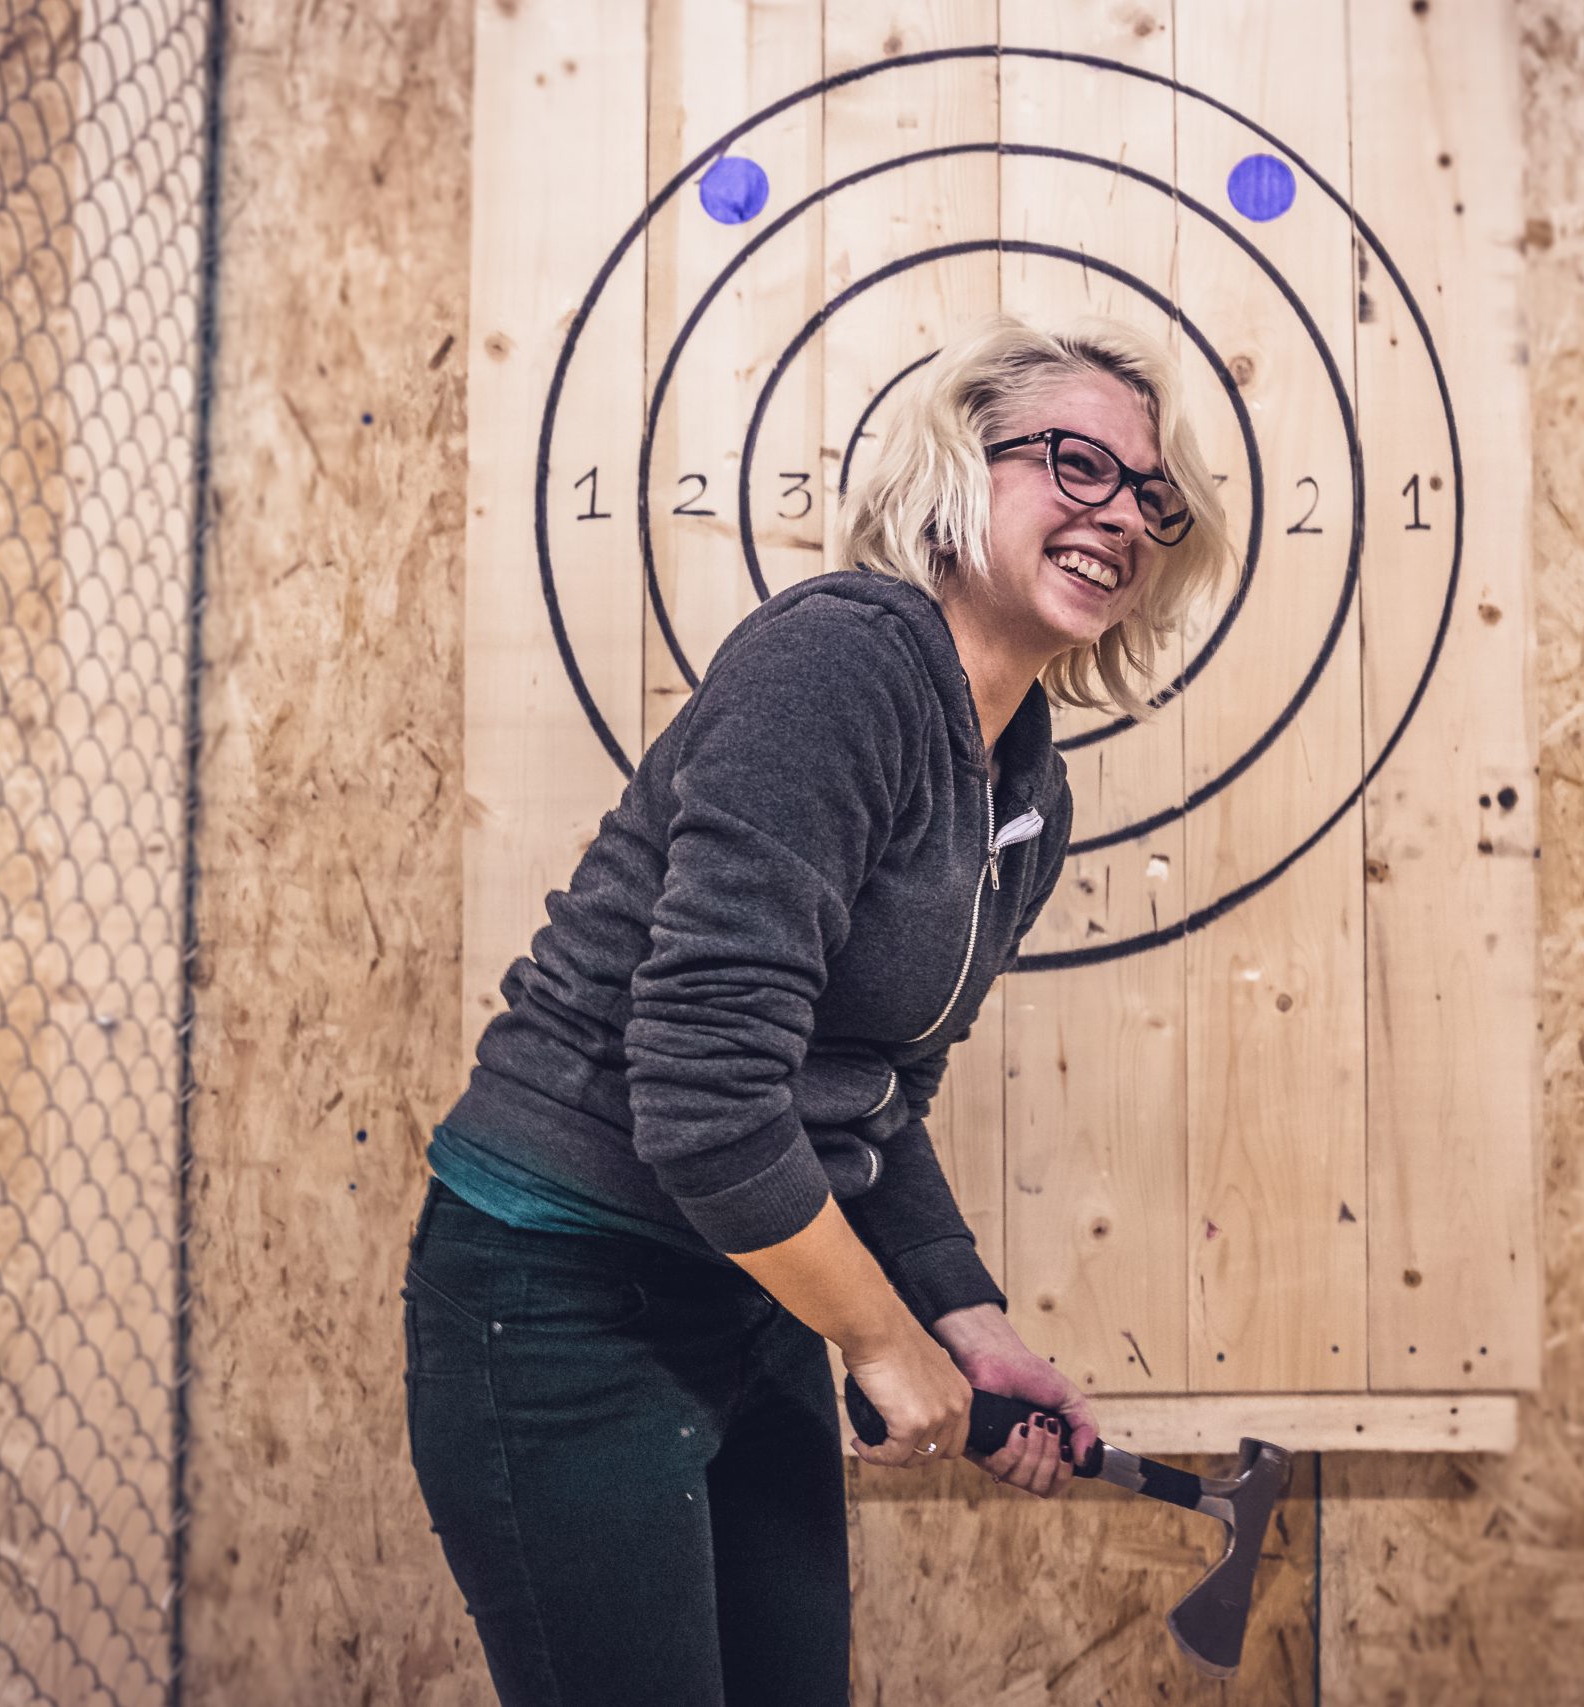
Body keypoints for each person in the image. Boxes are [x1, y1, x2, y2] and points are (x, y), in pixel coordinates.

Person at [401, 309, 1236, 1706]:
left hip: (747, 1281)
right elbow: (704, 1094)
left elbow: (868, 1097)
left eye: (1152, 497)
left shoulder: (1025, 789)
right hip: (560, 1294)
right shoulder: (841, 666)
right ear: (957, 472)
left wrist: (965, 1320)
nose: (1122, 516)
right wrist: (882, 1341)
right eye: (1077, 464)